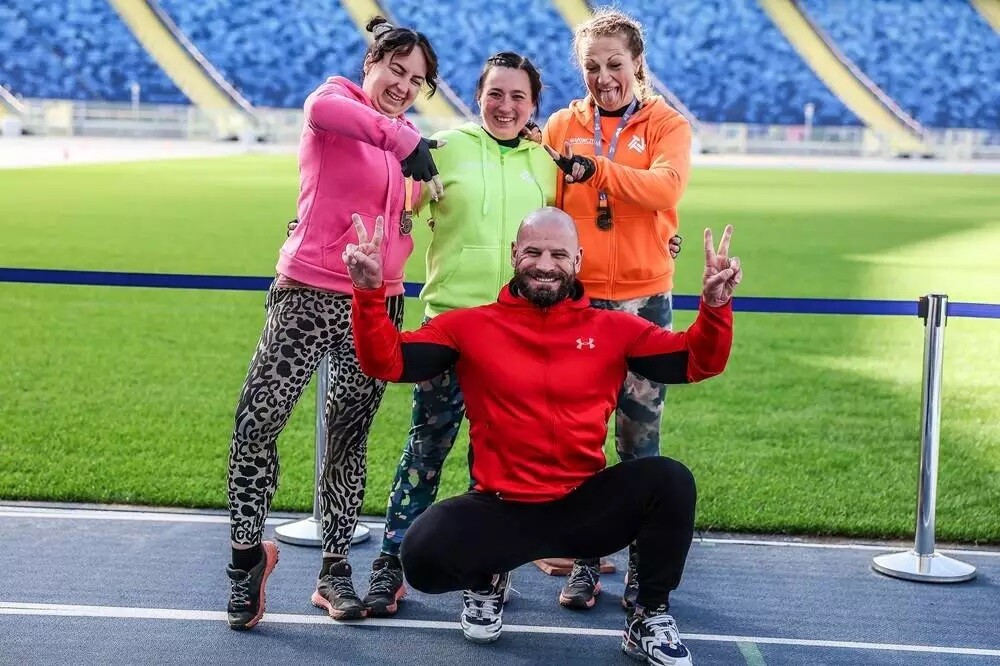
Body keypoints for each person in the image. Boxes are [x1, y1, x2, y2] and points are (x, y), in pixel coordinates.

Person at [343, 206, 740, 664]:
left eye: (558, 254)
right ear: (515, 254)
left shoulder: (614, 329)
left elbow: (696, 361)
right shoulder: (469, 326)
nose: (545, 264)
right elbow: (387, 361)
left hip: (584, 510)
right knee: (421, 555)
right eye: (533, 252)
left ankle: (647, 615)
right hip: (502, 510)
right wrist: (368, 294)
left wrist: (715, 307)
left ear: (578, 259)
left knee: (670, 481)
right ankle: (487, 578)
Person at [224, 16, 445, 630]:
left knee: (349, 436)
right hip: (306, 293)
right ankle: (246, 559)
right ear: (370, 64)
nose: (403, 86)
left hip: (375, 303)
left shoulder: (407, 140)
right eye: (395, 70)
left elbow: (411, 201)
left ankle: (335, 570)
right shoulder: (335, 103)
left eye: (417, 80)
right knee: (257, 421)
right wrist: (403, 142)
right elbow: (323, 111)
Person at [355, 51, 560, 624]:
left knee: (496, 469)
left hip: (517, 339)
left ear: (533, 105)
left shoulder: (545, 164)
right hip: (450, 329)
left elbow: (573, 239)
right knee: (425, 451)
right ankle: (390, 566)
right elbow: (389, 202)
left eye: (518, 97)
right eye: (495, 93)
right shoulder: (442, 148)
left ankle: (486, 572)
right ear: (478, 96)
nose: (505, 106)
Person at [540, 6, 693, 610]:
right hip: (578, 304)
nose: (603, 77)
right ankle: (584, 562)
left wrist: (601, 172)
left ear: (637, 64)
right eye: (592, 66)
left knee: (638, 438)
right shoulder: (561, 125)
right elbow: (545, 203)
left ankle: (640, 570)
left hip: (643, 302)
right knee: (578, 441)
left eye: (614, 64)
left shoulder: (665, 123)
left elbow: (666, 187)